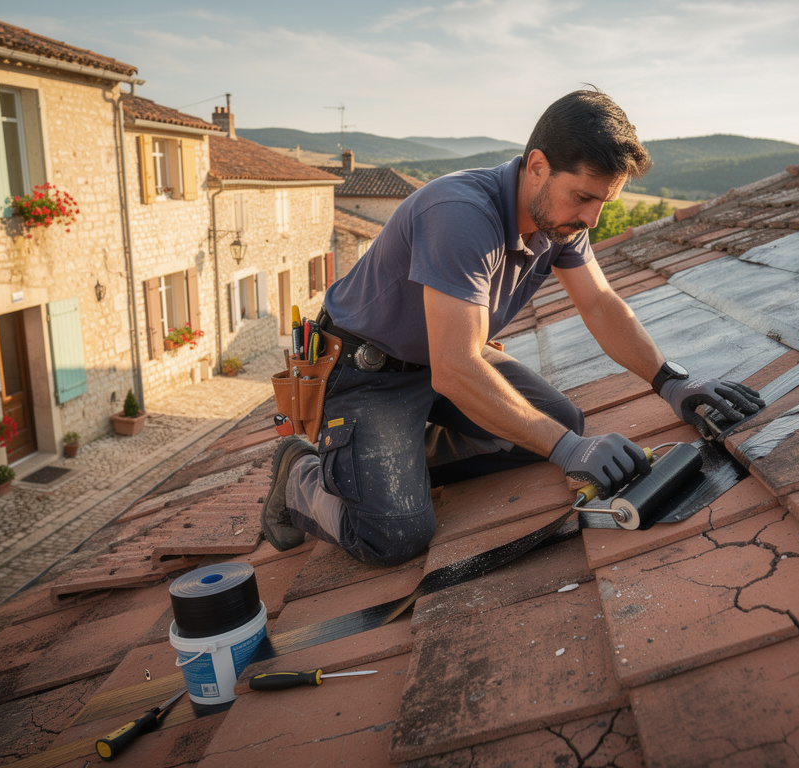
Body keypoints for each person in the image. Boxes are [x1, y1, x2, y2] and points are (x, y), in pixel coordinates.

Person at [263, 89, 764, 566]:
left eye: (603, 203)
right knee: (394, 534)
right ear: (539, 167)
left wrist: (671, 381)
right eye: (583, 197)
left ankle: (389, 459)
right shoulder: (461, 215)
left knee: (557, 422)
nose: (591, 218)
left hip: (442, 364)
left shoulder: (558, 220)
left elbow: (600, 304)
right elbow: (455, 369)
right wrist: (566, 451)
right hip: (368, 373)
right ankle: (301, 474)